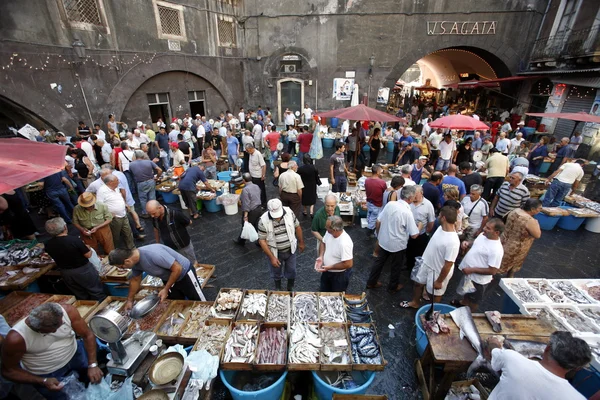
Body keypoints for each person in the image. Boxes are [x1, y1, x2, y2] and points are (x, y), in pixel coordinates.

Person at [1, 303, 103, 400]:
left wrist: (92, 364)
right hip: (48, 373)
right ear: (39, 329)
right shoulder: (16, 340)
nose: (56, 331)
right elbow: (9, 371)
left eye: (60, 324)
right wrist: (42, 381)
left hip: (77, 356)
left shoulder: (68, 312)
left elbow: (87, 335)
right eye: (52, 330)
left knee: (91, 382)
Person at [486, 331, 591, 400]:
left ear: (547, 348)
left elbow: (494, 352)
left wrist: (493, 342)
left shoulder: (512, 358)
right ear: (577, 368)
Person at [109, 245, 206, 309]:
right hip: (168, 278)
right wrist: (130, 300)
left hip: (185, 274)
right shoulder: (134, 262)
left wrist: (166, 289)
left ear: (127, 261)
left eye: (121, 267)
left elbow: (178, 269)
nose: (123, 269)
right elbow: (135, 280)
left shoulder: (153, 254)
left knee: (199, 300)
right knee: (176, 302)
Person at [402, 206, 460, 308]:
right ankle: (415, 302)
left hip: (437, 272)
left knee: (434, 294)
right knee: (418, 284)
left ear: (443, 218)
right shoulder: (440, 229)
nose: (437, 217)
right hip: (426, 264)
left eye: (439, 215)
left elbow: (448, 264)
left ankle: (432, 312)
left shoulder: (453, 241)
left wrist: (439, 281)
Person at [366, 186, 419, 293]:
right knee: (396, 267)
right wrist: (420, 227)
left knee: (379, 262)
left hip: (384, 241)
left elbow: (378, 221)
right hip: (397, 245)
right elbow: (414, 235)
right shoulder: (407, 212)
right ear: (410, 198)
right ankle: (392, 287)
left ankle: (371, 282)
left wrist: (379, 235)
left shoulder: (390, 204)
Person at [43, 217, 106, 301]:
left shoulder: (48, 244)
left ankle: (86, 310)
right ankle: (100, 309)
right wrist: (88, 248)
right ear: (65, 227)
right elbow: (88, 255)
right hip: (83, 271)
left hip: (66, 273)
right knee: (96, 292)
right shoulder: (74, 240)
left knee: (80, 295)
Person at [454, 219, 505, 311]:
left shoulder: (496, 250)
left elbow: (493, 271)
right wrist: (468, 243)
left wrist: (472, 270)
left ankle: (471, 314)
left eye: (488, 228)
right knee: (466, 292)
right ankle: (463, 303)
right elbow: (476, 243)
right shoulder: (483, 235)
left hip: (478, 281)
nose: (484, 229)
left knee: (474, 300)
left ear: (496, 232)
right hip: (468, 274)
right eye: (485, 226)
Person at [257, 199, 305, 291]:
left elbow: (297, 227)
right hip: (275, 252)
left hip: (290, 249)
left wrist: (301, 242)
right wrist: (272, 258)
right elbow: (262, 241)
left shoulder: (289, 213)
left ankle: (290, 286)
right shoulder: (263, 221)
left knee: (292, 270)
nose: (277, 218)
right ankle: (278, 287)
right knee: (276, 271)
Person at [499, 199, 542, 277]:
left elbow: (504, 218)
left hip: (504, 240)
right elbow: (537, 235)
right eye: (539, 209)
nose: (540, 210)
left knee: (498, 260)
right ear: (532, 209)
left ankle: (492, 274)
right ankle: (508, 276)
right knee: (513, 262)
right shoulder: (530, 220)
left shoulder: (515, 210)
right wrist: (536, 223)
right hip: (517, 247)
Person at [146, 200, 198, 266]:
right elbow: (156, 228)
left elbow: (189, 222)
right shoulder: (155, 216)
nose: (152, 216)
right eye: (150, 214)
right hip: (170, 248)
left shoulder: (175, 213)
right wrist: (157, 243)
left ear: (160, 208)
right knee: (179, 264)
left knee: (192, 263)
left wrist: (179, 229)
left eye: (153, 213)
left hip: (183, 245)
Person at [315, 216, 353, 292]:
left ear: (334, 230)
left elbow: (348, 264)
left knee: (336, 297)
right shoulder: (329, 233)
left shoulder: (344, 243)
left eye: (327, 227)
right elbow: (323, 242)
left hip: (339, 276)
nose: (325, 228)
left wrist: (330, 267)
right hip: (327, 272)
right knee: (324, 292)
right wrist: (321, 256)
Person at [96, 175, 135, 250]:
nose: (119, 181)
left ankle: (132, 248)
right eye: (117, 180)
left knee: (128, 233)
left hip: (123, 214)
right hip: (115, 218)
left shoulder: (115, 188)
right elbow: (99, 206)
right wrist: (108, 215)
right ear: (110, 182)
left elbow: (119, 197)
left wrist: (125, 204)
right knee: (115, 235)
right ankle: (116, 250)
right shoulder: (102, 191)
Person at [407, 186, 435, 271]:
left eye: (415, 194)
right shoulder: (408, 202)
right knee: (408, 252)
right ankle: (408, 266)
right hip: (407, 233)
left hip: (421, 234)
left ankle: (417, 270)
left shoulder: (428, 204)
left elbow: (431, 221)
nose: (413, 196)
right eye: (412, 194)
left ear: (421, 193)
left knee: (419, 253)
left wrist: (427, 232)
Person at [128, 151, 162, 217]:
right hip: (151, 181)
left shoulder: (131, 164)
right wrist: (157, 177)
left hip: (140, 183)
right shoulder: (149, 162)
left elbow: (131, 173)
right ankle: (154, 210)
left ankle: (145, 213)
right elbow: (160, 170)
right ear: (143, 155)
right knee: (152, 197)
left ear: (135, 156)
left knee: (143, 199)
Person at [233, 173, 263, 246]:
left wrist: (245, 216)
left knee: (245, 225)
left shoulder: (245, 190)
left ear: (243, 180)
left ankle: (241, 241)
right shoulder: (256, 186)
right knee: (257, 225)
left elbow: (246, 204)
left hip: (252, 211)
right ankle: (261, 241)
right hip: (259, 209)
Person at [364, 164, 388, 235]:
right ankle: (369, 232)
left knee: (369, 215)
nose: (382, 171)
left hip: (369, 202)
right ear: (377, 172)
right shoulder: (382, 182)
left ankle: (369, 229)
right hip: (377, 204)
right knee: (374, 219)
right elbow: (385, 191)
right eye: (381, 170)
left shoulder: (367, 180)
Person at [246, 143, 267, 208]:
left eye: (247, 150)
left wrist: (263, 175)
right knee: (255, 190)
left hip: (258, 176)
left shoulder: (258, 154)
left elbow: (263, 165)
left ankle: (263, 204)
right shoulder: (250, 154)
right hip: (252, 175)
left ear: (251, 148)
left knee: (261, 190)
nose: (246, 151)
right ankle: (257, 203)